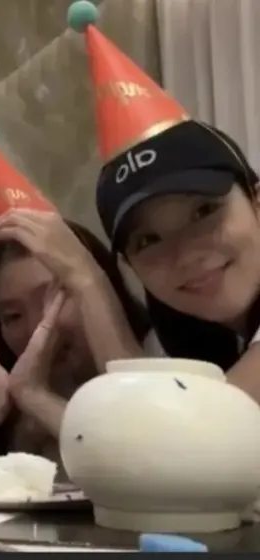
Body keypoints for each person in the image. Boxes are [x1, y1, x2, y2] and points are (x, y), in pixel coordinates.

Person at [68, 0, 260, 403]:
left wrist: (87, 281)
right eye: (148, 240)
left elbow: (184, 433)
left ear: (256, 202)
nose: (186, 254)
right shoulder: (191, 346)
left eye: (204, 211)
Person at [0, 125, 153, 472]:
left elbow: (148, 459)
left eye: (56, 296)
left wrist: (37, 398)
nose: (37, 327)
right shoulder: (9, 419)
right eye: (13, 316)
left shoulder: (165, 360)